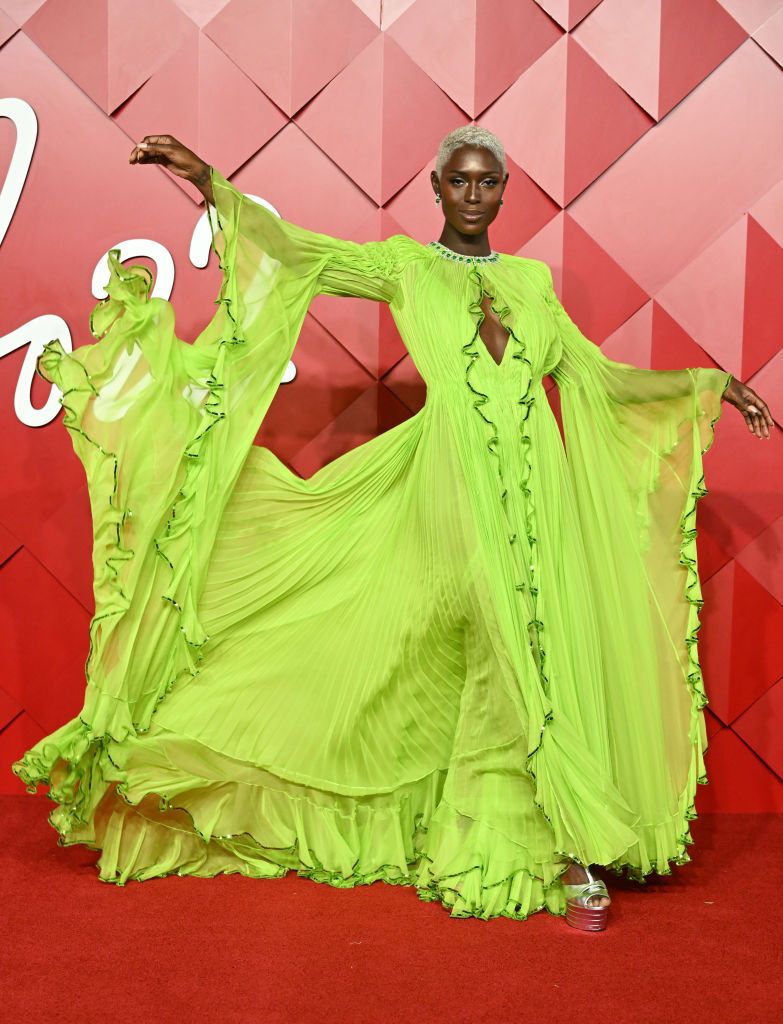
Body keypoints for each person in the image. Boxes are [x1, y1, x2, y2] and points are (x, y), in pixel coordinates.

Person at [12, 126, 773, 932]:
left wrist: (706, 384)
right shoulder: (406, 268)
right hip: (452, 482)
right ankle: (572, 846)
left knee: (537, 645)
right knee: (506, 638)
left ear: (504, 194)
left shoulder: (530, 282)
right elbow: (298, 251)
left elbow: (594, 376)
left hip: (535, 493)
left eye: (488, 184)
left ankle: (536, 833)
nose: (474, 196)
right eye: (460, 182)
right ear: (436, 187)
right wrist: (208, 181)